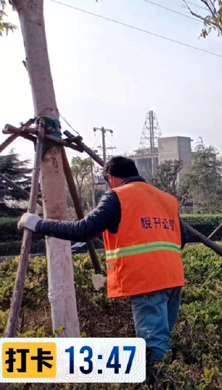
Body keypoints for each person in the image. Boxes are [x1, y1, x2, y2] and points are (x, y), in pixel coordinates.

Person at [17, 156, 187, 364]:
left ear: (110, 178)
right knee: (162, 338)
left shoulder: (118, 196)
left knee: (153, 345)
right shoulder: (166, 199)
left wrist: (38, 224)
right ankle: (174, 377)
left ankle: (159, 382)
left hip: (147, 282)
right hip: (173, 277)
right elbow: (183, 237)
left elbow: (83, 229)